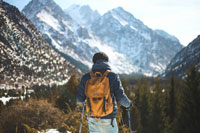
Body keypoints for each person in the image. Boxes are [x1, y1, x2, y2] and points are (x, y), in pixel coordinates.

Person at [77, 52, 131, 133]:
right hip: (109, 119)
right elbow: (120, 97)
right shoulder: (112, 76)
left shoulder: (86, 77)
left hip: (93, 118)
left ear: (94, 62)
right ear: (106, 62)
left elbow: (79, 100)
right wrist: (128, 104)